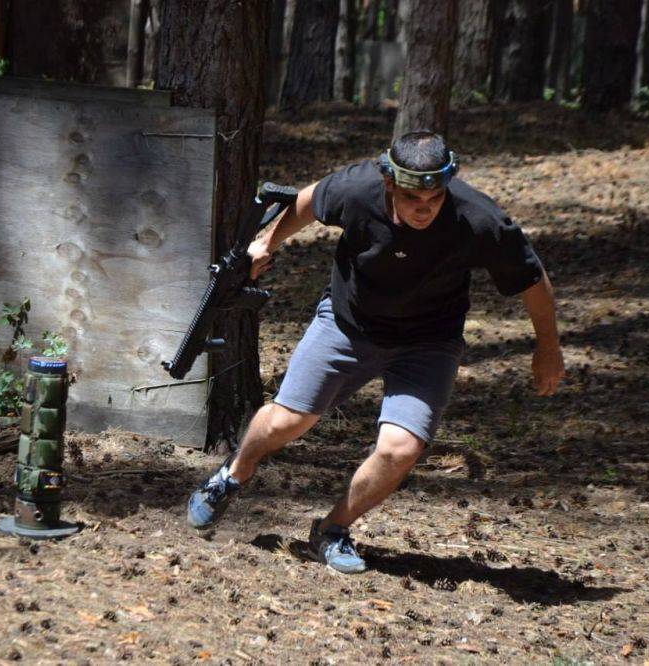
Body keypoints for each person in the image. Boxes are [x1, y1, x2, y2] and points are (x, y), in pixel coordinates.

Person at [186, 130, 565, 574]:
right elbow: (307, 202)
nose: (424, 209)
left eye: (434, 198)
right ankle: (233, 475)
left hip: (429, 341)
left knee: (401, 449)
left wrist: (548, 349)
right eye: (411, 199)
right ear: (389, 185)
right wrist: (266, 242)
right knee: (291, 419)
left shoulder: (477, 217)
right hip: (348, 325)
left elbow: (532, 279)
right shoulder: (358, 188)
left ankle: (331, 530)